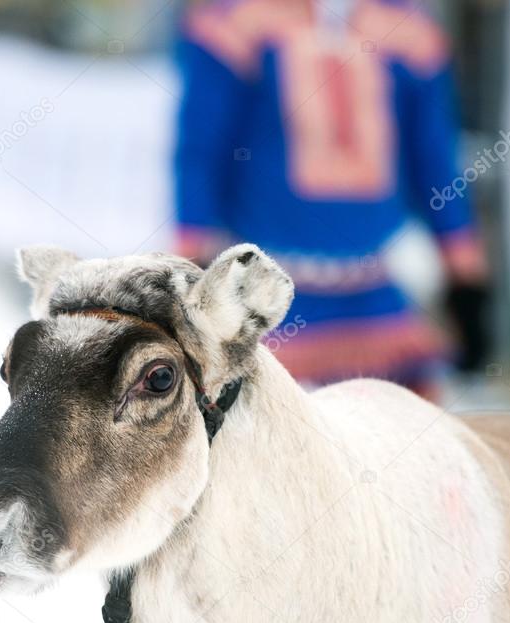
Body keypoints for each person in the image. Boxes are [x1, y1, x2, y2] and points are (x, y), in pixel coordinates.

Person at [173, 0, 492, 393]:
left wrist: (465, 278)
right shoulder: (233, 25)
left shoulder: (408, 32)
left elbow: (434, 160)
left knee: (400, 440)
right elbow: (201, 151)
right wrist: (189, 269)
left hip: (375, 303)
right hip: (265, 303)